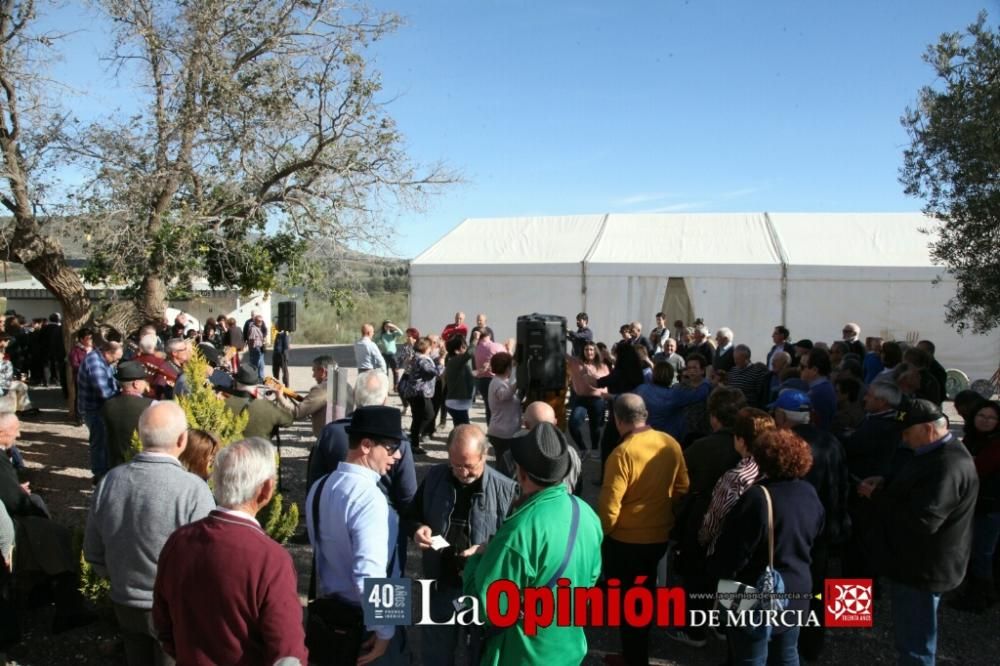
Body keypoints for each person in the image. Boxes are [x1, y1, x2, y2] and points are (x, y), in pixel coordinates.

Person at [153, 437, 307, 665]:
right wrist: (381, 626)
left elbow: (163, 624)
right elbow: (287, 652)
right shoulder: (270, 558)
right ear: (266, 489)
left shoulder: (179, 541)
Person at [462, 421, 603, 665]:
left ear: (521, 473)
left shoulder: (518, 532)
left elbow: (484, 607)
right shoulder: (586, 513)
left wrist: (478, 557)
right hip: (567, 649)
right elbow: (591, 578)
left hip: (521, 655)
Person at [85, 402, 215, 665]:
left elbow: (93, 551)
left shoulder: (110, 481)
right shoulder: (193, 490)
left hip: (124, 602)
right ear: (182, 440)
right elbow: (208, 562)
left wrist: (119, 577)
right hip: (173, 608)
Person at [858, 399, 978, 666]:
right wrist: (887, 483)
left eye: (906, 432)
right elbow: (917, 488)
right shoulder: (934, 453)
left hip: (922, 569)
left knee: (916, 645)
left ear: (926, 429)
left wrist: (878, 497)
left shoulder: (948, 465)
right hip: (917, 565)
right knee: (911, 637)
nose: (903, 439)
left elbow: (924, 520)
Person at [709, 429, 825, 664]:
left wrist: (718, 578)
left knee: (749, 658)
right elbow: (817, 535)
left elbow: (733, 553)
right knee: (787, 655)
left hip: (750, 591)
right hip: (797, 588)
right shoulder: (809, 492)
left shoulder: (757, 498)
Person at [404, 425, 518, 665]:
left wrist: (489, 548)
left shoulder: (506, 489)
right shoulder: (435, 477)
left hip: (480, 589)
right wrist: (416, 530)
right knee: (437, 651)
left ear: (484, 455)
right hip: (440, 583)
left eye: (469, 466)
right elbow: (410, 515)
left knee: (478, 652)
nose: (463, 472)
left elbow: (514, 542)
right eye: (456, 465)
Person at [306, 406, 407, 665]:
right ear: (366, 445)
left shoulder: (320, 487)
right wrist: (386, 631)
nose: (396, 456)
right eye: (391, 447)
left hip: (334, 613)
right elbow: (370, 573)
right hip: (367, 623)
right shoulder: (370, 498)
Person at [599, 393, 688, 665]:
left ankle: (634, 656)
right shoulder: (669, 443)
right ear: (645, 414)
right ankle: (638, 647)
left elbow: (609, 508)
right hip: (659, 535)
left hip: (626, 541)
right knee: (645, 589)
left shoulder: (622, 453)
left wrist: (602, 536)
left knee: (630, 601)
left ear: (617, 419)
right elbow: (683, 487)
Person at [0, 414, 96, 634]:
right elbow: (16, 502)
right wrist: (31, 506)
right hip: (14, 525)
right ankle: (68, 611)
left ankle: (43, 594)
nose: (19, 434)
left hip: (11, 518)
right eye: (15, 430)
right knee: (61, 542)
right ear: (1, 433)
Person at [949, 400, 1000, 612]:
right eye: (982, 416)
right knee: (972, 549)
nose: (986, 421)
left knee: (983, 552)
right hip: (972, 503)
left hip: (990, 505)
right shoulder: (972, 438)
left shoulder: (996, 443)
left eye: (991, 418)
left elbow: (977, 467)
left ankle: (982, 596)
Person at [77, 340, 123, 481]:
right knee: (99, 442)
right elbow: (104, 392)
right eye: (117, 358)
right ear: (108, 353)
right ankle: (100, 475)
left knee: (104, 441)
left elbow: (112, 381)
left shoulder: (103, 360)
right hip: (94, 409)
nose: (117, 361)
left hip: (98, 407)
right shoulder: (95, 363)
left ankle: (104, 470)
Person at [100, 362, 153, 470]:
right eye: (144, 381)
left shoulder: (107, 405)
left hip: (115, 465)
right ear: (136, 384)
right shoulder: (152, 406)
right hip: (143, 462)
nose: (146, 384)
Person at [224, 364, 295, 440]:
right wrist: (280, 397)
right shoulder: (267, 406)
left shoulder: (223, 403)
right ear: (256, 384)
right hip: (259, 449)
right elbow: (289, 420)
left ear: (235, 381)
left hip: (232, 449)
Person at [566, 341, 609, 458]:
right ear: (583, 351)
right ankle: (583, 448)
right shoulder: (576, 363)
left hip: (597, 400)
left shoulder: (602, 366)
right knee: (573, 424)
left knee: (595, 427)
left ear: (595, 351)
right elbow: (563, 354)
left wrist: (591, 375)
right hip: (581, 399)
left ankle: (595, 448)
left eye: (591, 349)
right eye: (586, 350)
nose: (589, 352)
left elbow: (606, 384)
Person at [405, 337, 442, 455]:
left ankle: (413, 443)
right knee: (429, 415)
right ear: (426, 348)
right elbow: (435, 372)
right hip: (420, 393)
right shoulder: (423, 360)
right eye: (430, 347)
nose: (431, 349)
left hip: (414, 392)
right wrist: (441, 363)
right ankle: (412, 437)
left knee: (417, 418)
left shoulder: (417, 357)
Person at [289, 355, 336, 439]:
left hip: (327, 439)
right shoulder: (345, 385)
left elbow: (298, 412)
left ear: (322, 371)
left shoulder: (321, 389)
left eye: (314, 371)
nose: (313, 375)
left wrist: (280, 397)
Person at [473, 329, 506, 425]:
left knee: (488, 407)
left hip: (481, 381)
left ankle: (490, 429)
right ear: (490, 335)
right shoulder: (497, 346)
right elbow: (506, 357)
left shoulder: (476, 348)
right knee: (498, 408)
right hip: (494, 379)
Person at [799, 347, 837, 432]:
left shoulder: (818, 393)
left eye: (802, 367)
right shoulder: (823, 387)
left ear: (815, 370)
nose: (798, 369)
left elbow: (812, 425)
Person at [486, 352, 521, 439]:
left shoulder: (502, 381)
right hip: (502, 433)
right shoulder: (497, 382)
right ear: (507, 368)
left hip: (506, 431)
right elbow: (504, 395)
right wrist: (519, 382)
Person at [443, 334, 476, 426]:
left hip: (457, 403)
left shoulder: (456, 361)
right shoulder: (456, 360)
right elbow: (469, 353)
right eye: (463, 347)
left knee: (459, 427)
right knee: (465, 430)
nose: (465, 349)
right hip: (457, 403)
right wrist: (475, 339)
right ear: (457, 350)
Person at [376, 321, 404, 391]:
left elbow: (401, 333)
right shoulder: (382, 334)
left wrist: (394, 326)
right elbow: (375, 340)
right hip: (384, 354)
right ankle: (385, 386)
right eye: (386, 326)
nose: (387, 327)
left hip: (392, 355)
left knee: (395, 371)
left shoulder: (393, 334)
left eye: (389, 326)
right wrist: (379, 348)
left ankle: (396, 386)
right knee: (385, 371)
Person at [243, 311, 268, 382]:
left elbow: (265, 331)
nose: (261, 322)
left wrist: (264, 340)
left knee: (261, 364)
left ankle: (260, 378)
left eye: (261, 321)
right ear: (256, 321)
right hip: (256, 348)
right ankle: (256, 378)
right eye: (259, 321)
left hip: (260, 347)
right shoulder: (253, 328)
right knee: (256, 364)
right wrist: (252, 348)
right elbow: (251, 339)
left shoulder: (259, 326)